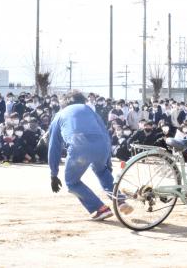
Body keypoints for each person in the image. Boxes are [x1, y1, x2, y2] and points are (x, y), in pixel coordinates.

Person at [48, 90, 133, 220]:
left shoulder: (59, 115)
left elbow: (54, 146)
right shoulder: (89, 110)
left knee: (72, 182)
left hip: (79, 146)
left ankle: (100, 208)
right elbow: (105, 134)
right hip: (102, 145)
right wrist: (108, 163)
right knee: (102, 171)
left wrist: (53, 174)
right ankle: (120, 200)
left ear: (64, 103)